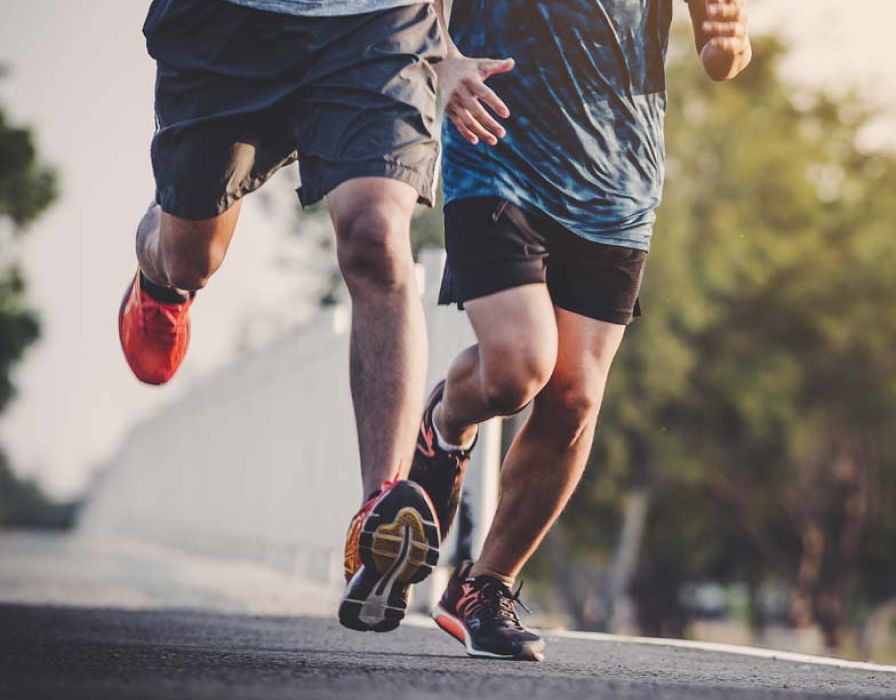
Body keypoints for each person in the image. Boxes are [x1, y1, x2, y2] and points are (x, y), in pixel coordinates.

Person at [407, 0, 753, 661]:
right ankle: (448, 422)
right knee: (515, 370)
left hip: (617, 182)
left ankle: (486, 584)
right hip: (497, 148)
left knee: (574, 397)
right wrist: (441, 61)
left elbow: (722, 51)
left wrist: (729, 43)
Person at [118, 0, 449, 633]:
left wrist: (452, 50)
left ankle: (379, 513)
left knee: (378, 236)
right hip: (229, 24)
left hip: (376, 20)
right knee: (192, 257)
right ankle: (159, 283)